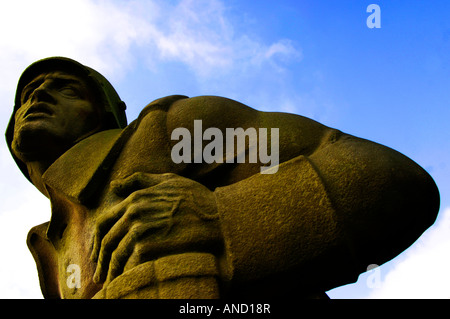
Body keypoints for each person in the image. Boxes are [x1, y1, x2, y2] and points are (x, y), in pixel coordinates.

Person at [6, 57, 440, 299]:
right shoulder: (51, 249)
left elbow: (389, 178)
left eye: (64, 88)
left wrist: (222, 219)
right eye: (24, 97)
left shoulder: (176, 131)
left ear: (105, 110)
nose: (37, 96)